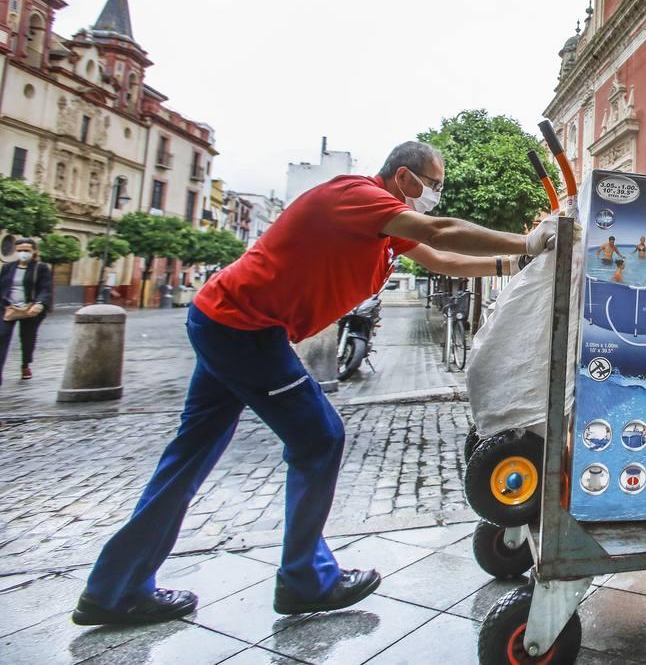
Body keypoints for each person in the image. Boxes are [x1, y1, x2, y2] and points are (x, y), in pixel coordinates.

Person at [72, 142, 556, 628]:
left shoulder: (383, 227)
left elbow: (441, 258)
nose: (437, 193)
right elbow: (438, 229)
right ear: (405, 178)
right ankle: (305, 578)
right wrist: (529, 240)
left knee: (191, 454)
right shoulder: (357, 196)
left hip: (226, 320)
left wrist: (517, 264)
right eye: (434, 183)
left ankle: (115, 588)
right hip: (246, 329)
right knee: (320, 437)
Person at [0, 237, 53, 384]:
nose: (23, 253)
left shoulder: (41, 268)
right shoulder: (7, 267)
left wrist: (40, 303)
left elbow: (46, 288)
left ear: (34, 251)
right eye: (20, 250)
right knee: (1, 336)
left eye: (26, 250)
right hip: (9, 307)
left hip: (31, 309)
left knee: (27, 339)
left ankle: (25, 364)